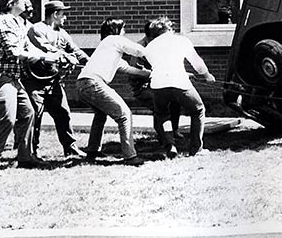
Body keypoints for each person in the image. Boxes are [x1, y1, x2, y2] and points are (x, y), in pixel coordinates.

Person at [0, 0, 57, 176]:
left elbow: (28, 47)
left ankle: (25, 158)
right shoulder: (4, 22)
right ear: (12, 3)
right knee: (7, 120)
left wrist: (52, 56)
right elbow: (14, 52)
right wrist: (43, 59)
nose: (25, 1)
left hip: (13, 79)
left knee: (27, 113)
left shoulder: (19, 23)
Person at [76, 18, 150, 166]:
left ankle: (92, 151)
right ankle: (130, 157)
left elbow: (128, 69)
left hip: (82, 83)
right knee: (124, 115)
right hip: (94, 82)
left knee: (100, 114)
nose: (124, 32)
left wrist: (151, 74)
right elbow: (138, 50)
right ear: (117, 30)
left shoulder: (107, 48)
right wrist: (158, 54)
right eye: (123, 29)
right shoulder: (114, 39)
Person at [23, 0, 88, 158]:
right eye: (63, 14)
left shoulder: (62, 33)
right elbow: (46, 47)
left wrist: (90, 62)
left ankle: (70, 148)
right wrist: (65, 56)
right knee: (35, 116)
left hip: (53, 81)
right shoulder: (37, 29)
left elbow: (76, 50)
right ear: (55, 14)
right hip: (35, 81)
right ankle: (31, 152)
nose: (65, 17)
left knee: (63, 113)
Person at [143, 16, 215, 157]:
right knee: (198, 110)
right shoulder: (181, 40)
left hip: (158, 84)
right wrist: (207, 75)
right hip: (179, 83)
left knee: (163, 115)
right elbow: (197, 62)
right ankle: (196, 149)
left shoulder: (150, 47)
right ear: (169, 28)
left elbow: (159, 65)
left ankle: (170, 145)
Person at [129, 19, 182, 140]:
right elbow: (134, 73)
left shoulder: (160, 45)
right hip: (142, 87)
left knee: (175, 98)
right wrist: (154, 74)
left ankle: (174, 130)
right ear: (149, 36)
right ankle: (163, 136)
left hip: (159, 82)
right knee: (160, 103)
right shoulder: (139, 48)